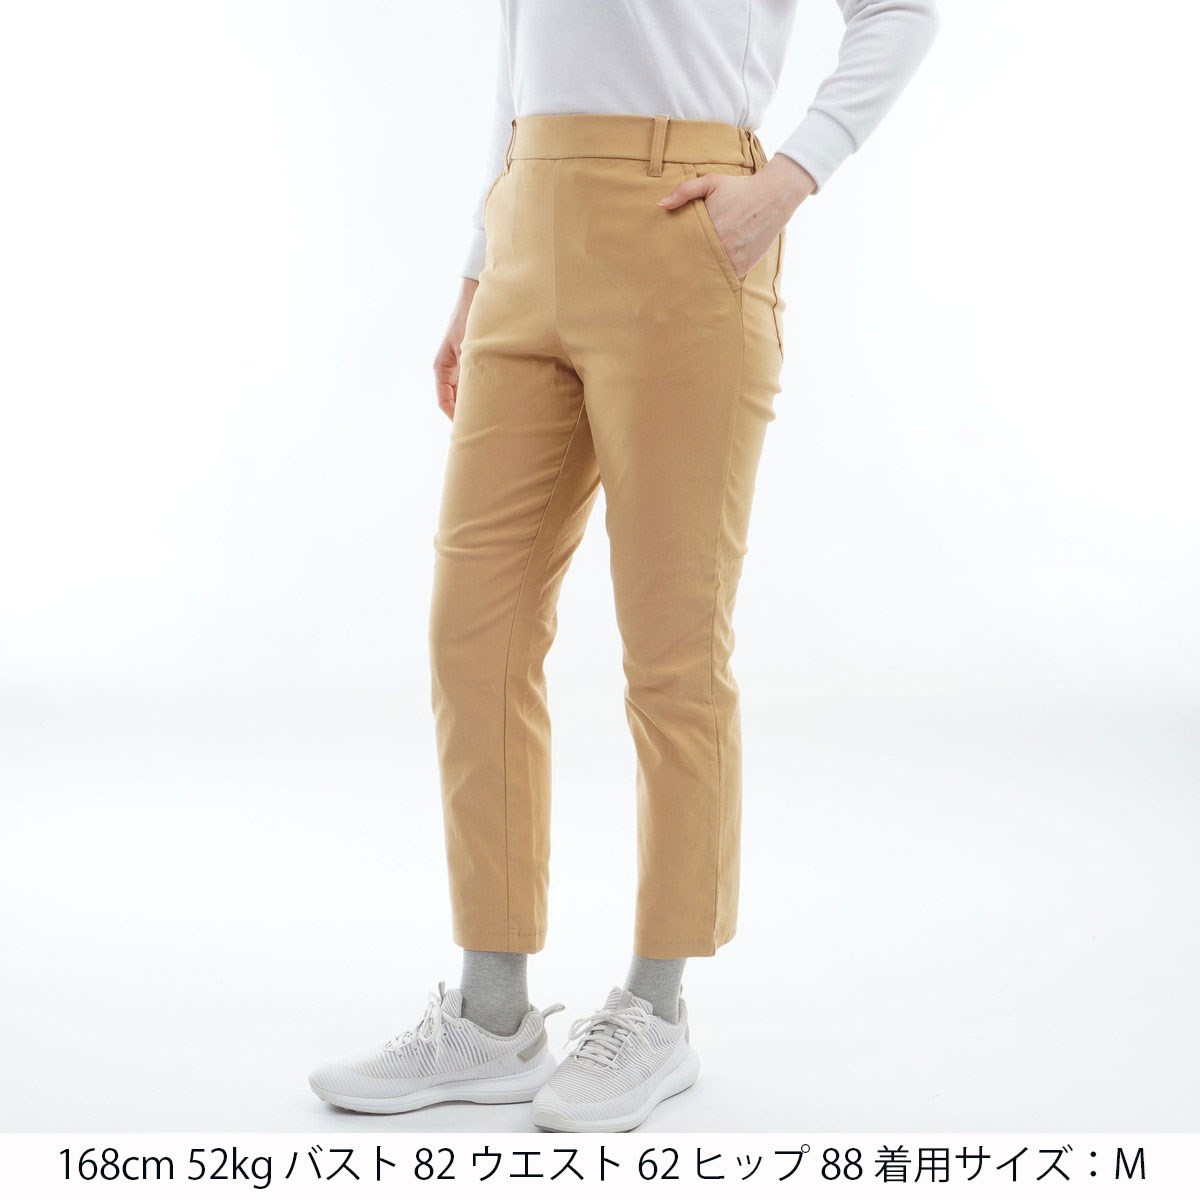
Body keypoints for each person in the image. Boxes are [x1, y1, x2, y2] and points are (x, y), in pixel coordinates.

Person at [309, 0, 938, 1132]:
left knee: (672, 648)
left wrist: (790, 178)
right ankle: (492, 1014)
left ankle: (656, 1009)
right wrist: (476, 272)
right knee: (474, 630)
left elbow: (900, 11)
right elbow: (523, 60)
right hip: (525, 233)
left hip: (682, 223)